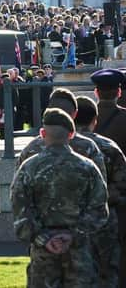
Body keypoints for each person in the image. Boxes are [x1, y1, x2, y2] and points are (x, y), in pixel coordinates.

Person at [11, 108, 108, 287]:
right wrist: (72, 235)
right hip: (79, 253)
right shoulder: (88, 168)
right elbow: (99, 210)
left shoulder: (28, 168)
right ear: (71, 134)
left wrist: (44, 238)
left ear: (42, 133)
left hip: (43, 256)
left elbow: (20, 212)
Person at [75, 96, 126, 287]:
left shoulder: (52, 146)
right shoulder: (108, 147)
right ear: (95, 120)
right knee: (107, 275)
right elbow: (123, 183)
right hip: (104, 222)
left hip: (66, 224)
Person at [15, 88, 107, 182]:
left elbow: (18, 190)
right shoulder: (89, 147)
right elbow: (100, 188)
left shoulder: (31, 149)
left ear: (48, 112)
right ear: (75, 114)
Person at [90, 68, 126, 285]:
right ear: (118, 92)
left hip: (87, 200)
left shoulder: (81, 119)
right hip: (119, 198)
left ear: (96, 92)